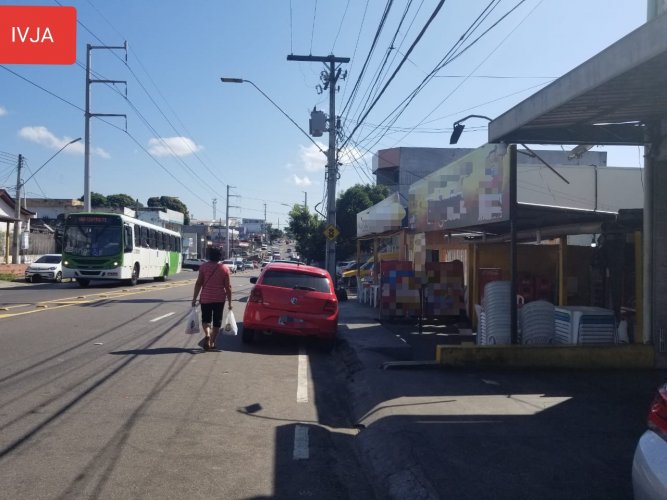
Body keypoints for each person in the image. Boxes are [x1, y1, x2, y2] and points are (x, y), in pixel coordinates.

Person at [191, 246, 232, 350]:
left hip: (206, 298)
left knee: (206, 320)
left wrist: (194, 298)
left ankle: (207, 334)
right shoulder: (224, 268)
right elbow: (228, 287)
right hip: (219, 299)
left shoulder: (203, 267)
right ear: (220, 256)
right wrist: (230, 303)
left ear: (209, 255)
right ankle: (212, 342)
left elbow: (199, 283)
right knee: (217, 321)